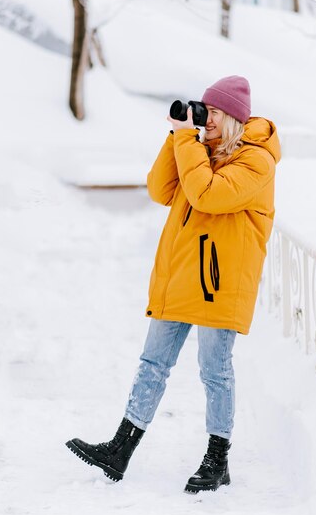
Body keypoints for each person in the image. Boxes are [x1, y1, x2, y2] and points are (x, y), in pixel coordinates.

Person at [66, 75, 281, 493]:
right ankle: (120, 449)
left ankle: (217, 460)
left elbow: (208, 196)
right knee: (152, 364)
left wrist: (189, 143)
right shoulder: (201, 151)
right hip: (181, 275)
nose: (207, 119)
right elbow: (160, 188)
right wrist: (176, 136)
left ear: (234, 118)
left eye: (214, 112)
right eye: (205, 111)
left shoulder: (256, 162)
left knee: (214, 371)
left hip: (220, 281)